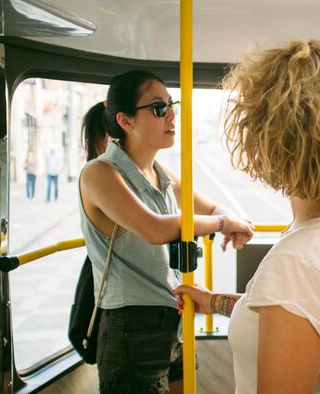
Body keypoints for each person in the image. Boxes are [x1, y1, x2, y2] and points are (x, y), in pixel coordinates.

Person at [174, 40, 320, 393]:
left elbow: (302, 291)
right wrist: (215, 302)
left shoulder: (301, 262)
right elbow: (302, 310)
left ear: (274, 138)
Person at [78, 69, 254, 394]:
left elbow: (213, 209)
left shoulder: (160, 173)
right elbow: (155, 229)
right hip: (130, 327)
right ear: (126, 120)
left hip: (174, 318)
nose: (172, 115)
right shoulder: (100, 174)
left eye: (171, 104)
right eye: (159, 108)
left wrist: (233, 222)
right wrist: (222, 225)